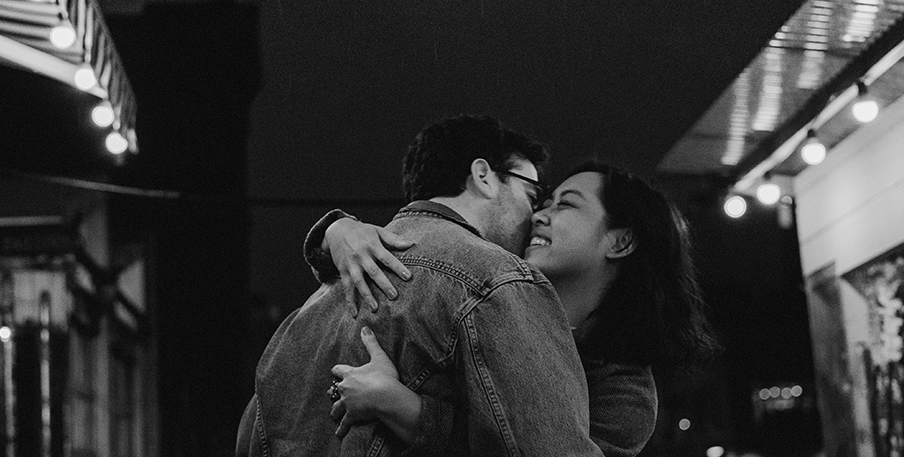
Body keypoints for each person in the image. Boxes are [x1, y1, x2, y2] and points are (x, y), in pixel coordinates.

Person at [236, 115, 606, 457]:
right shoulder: (497, 280)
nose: (536, 215)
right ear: (484, 176)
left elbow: (249, 437)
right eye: (532, 195)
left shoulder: (304, 316)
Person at [312, 161, 717, 457]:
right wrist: (339, 230)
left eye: (566, 205)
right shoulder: (485, 300)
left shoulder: (624, 392)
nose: (540, 214)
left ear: (621, 242)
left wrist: (403, 407)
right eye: (543, 201)